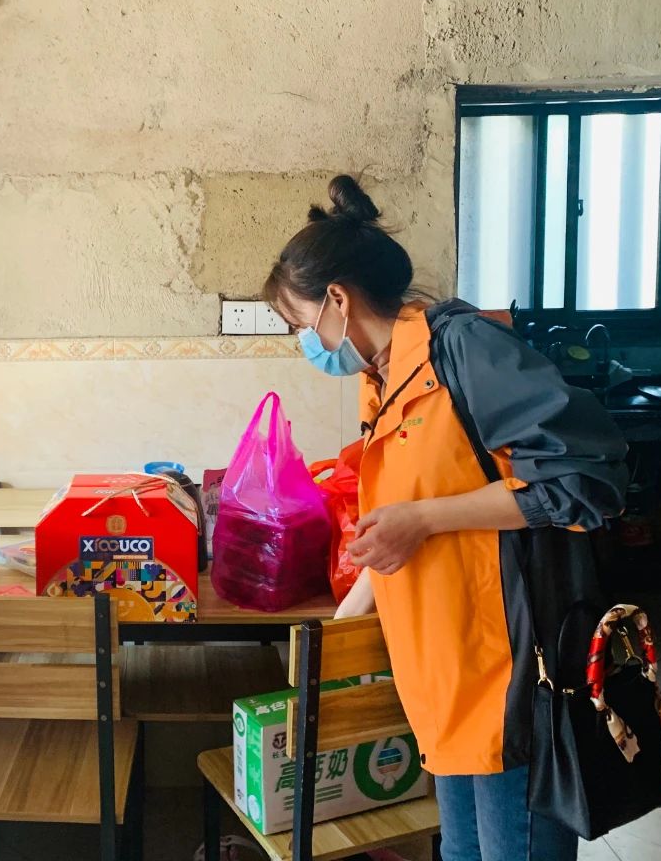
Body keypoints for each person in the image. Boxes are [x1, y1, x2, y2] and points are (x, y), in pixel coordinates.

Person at [264, 176, 628, 861]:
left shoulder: (464, 350)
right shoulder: (383, 377)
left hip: (508, 672)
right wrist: (331, 641)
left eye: (299, 323)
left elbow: (583, 481)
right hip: (442, 673)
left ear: (337, 299)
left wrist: (425, 519)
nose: (302, 341)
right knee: (460, 851)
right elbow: (393, 527)